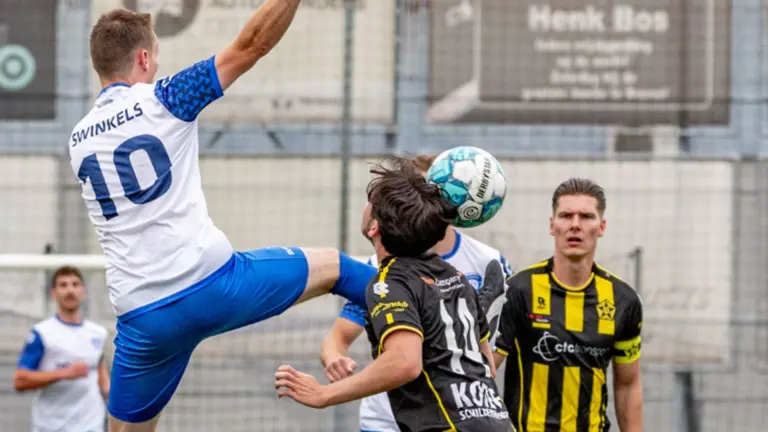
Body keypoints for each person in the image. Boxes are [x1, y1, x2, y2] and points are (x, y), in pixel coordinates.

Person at [70, 6, 376, 431]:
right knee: (338, 269)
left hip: (144, 317)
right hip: (213, 286)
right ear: (142, 59)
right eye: (155, 57)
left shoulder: (78, 139)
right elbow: (251, 45)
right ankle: (430, 308)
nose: (157, 66)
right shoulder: (166, 96)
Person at [274, 157, 513, 432]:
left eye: (369, 202)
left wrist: (323, 395)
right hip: (496, 421)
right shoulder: (454, 275)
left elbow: (406, 362)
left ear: (375, 226)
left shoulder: (388, 283)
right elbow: (487, 368)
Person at [486, 178, 643, 432]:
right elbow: (486, 369)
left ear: (601, 226)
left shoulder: (623, 300)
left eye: (587, 217)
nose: (575, 225)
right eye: (566, 215)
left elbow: (628, 383)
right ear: (552, 225)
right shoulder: (518, 290)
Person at [14, 266, 110, 432]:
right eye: (63, 285)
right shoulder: (42, 333)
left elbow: (103, 380)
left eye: (75, 284)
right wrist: (65, 373)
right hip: (51, 426)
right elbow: (20, 380)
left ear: (83, 291)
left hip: (91, 425)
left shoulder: (98, 333)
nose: (70, 290)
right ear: (54, 293)